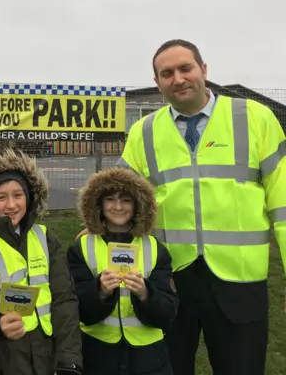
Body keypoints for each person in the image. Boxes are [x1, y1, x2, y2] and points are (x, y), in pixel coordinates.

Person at [119, 39, 286, 375]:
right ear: (157, 83)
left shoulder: (255, 117)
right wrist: (96, 229)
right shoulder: (143, 132)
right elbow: (121, 200)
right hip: (169, 281)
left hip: (240, 280)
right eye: (167, 73)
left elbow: (283, 204)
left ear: (203, 70)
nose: (178, 78)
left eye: (186, 68)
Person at [0, 148, 83, 375]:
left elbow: (64, 298)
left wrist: (69, 356)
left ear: (29, 198)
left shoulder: (45, 237)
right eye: (1, 197)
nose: (11, 205)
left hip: (44, 350)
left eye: (17, 195)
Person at [67, 167, 178, 375]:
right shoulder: (81, 248)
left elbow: (168, 313)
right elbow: (77, 310)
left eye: (126, 200)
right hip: (98, 357)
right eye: (110, 199)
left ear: (138, 206)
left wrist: (146, 293)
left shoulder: (155, 249)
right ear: (98, 204)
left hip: (149, 359)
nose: (118, 207)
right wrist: (100, 291)